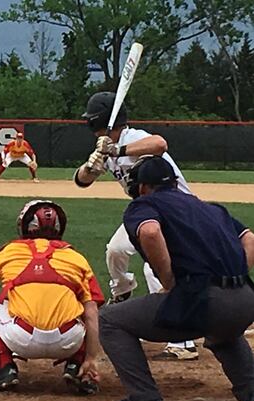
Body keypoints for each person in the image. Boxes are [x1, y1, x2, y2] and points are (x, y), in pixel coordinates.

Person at [99, 155, 254, 401]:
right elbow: (249, 239)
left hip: (204, 300)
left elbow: (149, 231)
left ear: (143, 186)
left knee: (109, 320)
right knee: (224, 333)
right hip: (245, 299)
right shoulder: (208, 207)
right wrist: (236, 273)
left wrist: (169, 280)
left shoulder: (144, 204)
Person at [74, 91, 198, 361]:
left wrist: (116, 150)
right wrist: (91, 164)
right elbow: (82, 181)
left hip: (177, 212)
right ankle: (122, 291)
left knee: (155, 267)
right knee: (115, 250)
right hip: (147, 213)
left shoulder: (131, 138)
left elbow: (160, 144)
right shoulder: (106, 147)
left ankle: (182, 341)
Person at [0, 200, 105, 394]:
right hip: (69, 340)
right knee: (83, 303)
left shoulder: (11, 250)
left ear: (25, 226)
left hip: (21, 338)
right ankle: (78, 368)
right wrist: (92, 358)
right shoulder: (76, 257)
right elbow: (92, 311)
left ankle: (3, 369)